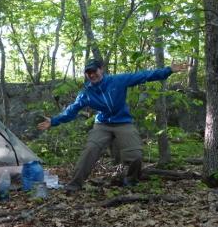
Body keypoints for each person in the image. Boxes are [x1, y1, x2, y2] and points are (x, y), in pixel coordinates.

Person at [37, 59, 187, 192]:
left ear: (101, 70)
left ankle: (131, 180)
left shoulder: (118, 80)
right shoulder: (86, 93)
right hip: (102, 124)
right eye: (88, 72)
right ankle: (74, 185)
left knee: (135, 155)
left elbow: (144, 75)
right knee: (90, 150)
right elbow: (71, 111)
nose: (91, 75)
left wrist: (168, 70)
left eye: (93, 71)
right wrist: (54, 121)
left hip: (123, 122)